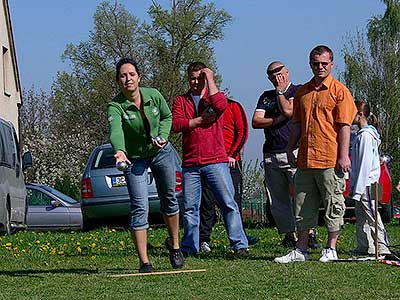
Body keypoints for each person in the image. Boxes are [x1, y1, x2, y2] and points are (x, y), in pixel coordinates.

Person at [274, 45, 357, 263]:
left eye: (324, 63)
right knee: (302, 205)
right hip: (305, 160)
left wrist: (343, 156)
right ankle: (301, 249)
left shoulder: (340, 91)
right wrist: (289, 147)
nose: (320, 67)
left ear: (331, 64)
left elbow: (345, 126)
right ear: (310, 64)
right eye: (315, 63)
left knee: (333, 204)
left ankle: (331, 248)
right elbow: (296, 124)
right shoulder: (302, 92)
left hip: (330, 158)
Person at [107, 58, 184, 273]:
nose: (128, 79)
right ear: (118, 81)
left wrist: (163, 136)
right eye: (123, 76)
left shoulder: (154, 95)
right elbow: (116, 131)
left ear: (139, 77)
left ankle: (175, 245)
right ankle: (144, 262)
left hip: (161, 153)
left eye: (131, 74)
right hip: (134, 159)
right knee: (140, 206)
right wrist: (119, 150)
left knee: (169, 198)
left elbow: (167, 116)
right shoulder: (115, 106)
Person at [172, 61, 248, 255]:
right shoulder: (181, 100)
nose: (196, 82)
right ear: (188, 78)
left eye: (200, 78)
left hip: (216, 161)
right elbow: (176, 124)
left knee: (228, 204)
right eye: (193, 78)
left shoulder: (213, 98)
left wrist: (211, 81)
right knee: (190, 208)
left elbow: (221, 105)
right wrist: (197, 121)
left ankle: (239, 245)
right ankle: (190, 246)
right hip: (190, 164)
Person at [252, 61, 318, 248]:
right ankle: (289, 234)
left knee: (303, 196)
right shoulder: (266, 97)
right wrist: (277, 119)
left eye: (279, 72)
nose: (276, 76)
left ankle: (309, 233)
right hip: (271, 153)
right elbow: (256, 121)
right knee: (277, 199)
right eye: (271, 74)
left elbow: (288, 111)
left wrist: (281, 92)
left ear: (287, 72)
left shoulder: (299, 91)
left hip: (294, 151)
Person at [199, 98, 259, 253]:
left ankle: (240, 238)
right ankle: (203, 239)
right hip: (209, 162)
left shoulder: (233, 106)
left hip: (230, 162)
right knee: (207, 202)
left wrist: (233, 154)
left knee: (233, 203)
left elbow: (242, 131)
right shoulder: (203, 107)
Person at [350, 100, 391, 256]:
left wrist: (358, 188)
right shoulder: (362, 135)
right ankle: (365, 245)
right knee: (361, 216)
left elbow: (364, 164)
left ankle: (382, 245)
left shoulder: (366, 136)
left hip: (367, 183)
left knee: (372, 215)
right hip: (365, 183)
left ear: (360, 115)